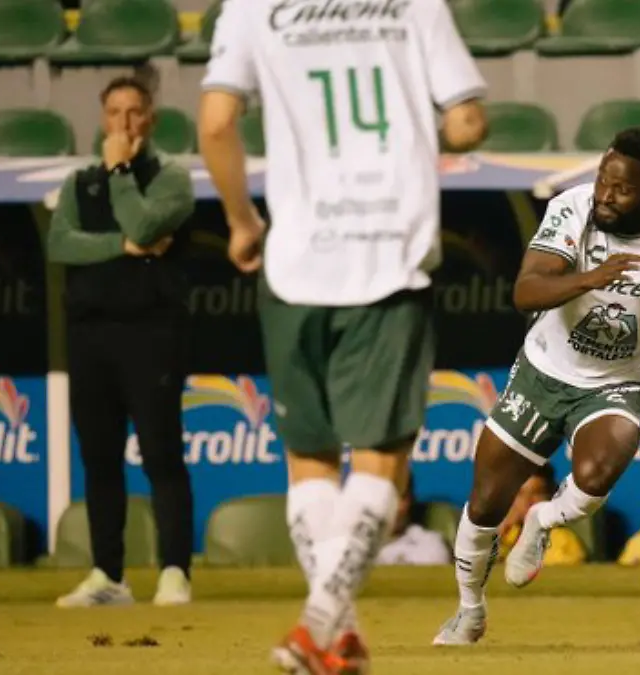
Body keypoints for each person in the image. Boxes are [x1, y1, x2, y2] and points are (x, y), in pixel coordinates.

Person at [196, 0, 489, 670]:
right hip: (390, 258)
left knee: (310, 463)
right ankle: (317, 624)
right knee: (382, 463)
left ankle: (341, 633)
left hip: (296, 262)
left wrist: (241, 221)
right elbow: (467, 121)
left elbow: (215, 124)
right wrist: (427, 129)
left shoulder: (249, 8)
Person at [433, 127, 640, 646]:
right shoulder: (572, 209)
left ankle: (543, 521)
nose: (606, 195)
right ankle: (469, 610)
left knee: (594, 479)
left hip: (616, 381)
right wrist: (590, 278)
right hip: (543, 373)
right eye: (603, 181)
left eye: (623, 189)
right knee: (485, 504)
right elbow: (526, 291)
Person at [48, 76, 196, 608]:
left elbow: (144, 220)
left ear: (151, 119)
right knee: (99, 459)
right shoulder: (78, 183)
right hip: (90, 335)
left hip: (151, 334)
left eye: (134, 112)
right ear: (102, 117)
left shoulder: (171, 179)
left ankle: (175, 572)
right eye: (115, 112)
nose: (124, 123)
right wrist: (124, 246)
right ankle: (108, 575)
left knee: (161, 455)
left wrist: (119, 172)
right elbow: (60, 243)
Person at [497, 463, 587, 567]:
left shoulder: (563, 540)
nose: (527, 502)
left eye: (537, 493)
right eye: (520, 494)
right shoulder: (505, 534)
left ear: (551, 496)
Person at [375, 474, 451, 567]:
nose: (387, 507)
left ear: (409, 501)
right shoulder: (359, 545)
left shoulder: (430, 546)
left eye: (397, 497)